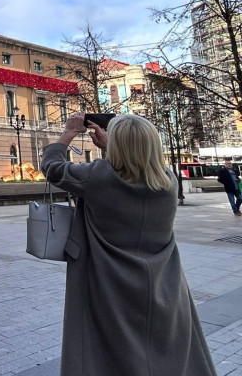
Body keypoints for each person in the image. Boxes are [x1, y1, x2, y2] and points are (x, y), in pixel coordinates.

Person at [41, 112, 217, 376]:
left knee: (111, 352)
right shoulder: (168, 182)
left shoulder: (97, 177)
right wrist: (112, 148)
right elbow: (130, 169)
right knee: (166, 349)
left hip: (108, 283)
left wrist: (68, 133)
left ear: (118, 146)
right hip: (162, 284)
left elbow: (52, 168)